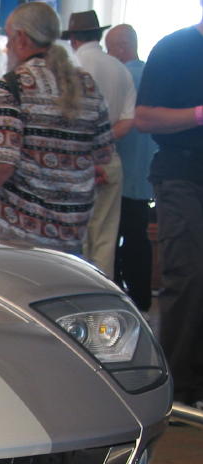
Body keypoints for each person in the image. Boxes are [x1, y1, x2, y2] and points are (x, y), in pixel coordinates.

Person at [0, 2, 113, 256]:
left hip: (19, 234)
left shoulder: (15, 84)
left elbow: (1, 164)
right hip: (72, 232)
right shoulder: (86, 84)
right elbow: (103, 154)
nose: (8, 47)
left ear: (22, 38)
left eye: (9, 38)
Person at [135, 7, 203, 409]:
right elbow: (144, 117)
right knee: (189, 274)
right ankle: (178, 388)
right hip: (183, 175)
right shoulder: (176, 49)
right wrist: (198, 114)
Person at [64, 10, 137, 278]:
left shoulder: (70, 66)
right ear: (99, 35)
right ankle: (101, 297)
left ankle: (75, 297)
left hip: (75, 162)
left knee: (77, 236)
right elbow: (129, 120)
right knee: (106, 237)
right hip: (110, 160)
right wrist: (103, 142)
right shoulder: (120, 68)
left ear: (73, 38)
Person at [106, 23, 157, 311]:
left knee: (113, 238)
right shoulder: (153, 74)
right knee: (139, 236)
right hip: (146, 176)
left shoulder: (122, 77)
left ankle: (120, 298)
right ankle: (143, 298)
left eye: (111, 49)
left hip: (120, 173)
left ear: (123, 47)